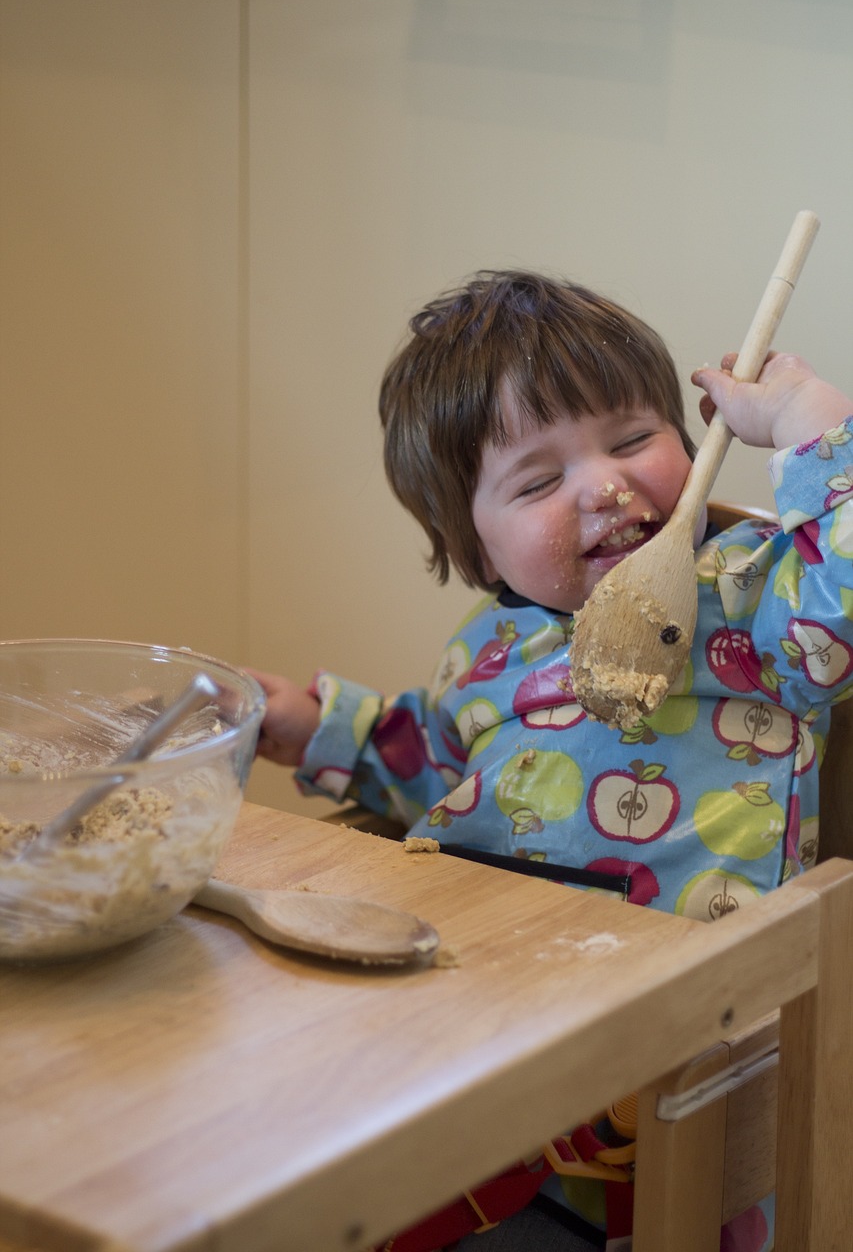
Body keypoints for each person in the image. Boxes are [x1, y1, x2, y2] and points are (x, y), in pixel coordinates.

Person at [248, 271, 853, 1251]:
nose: (604, 485)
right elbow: (439, 767)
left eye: (630, 439)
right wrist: (321, 727)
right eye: (537, 481)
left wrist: (816, 428)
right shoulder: (490, 646)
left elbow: (841, 612)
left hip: (675, 1091)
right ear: (474, 548)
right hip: (487, 1052)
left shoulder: (749, 607)